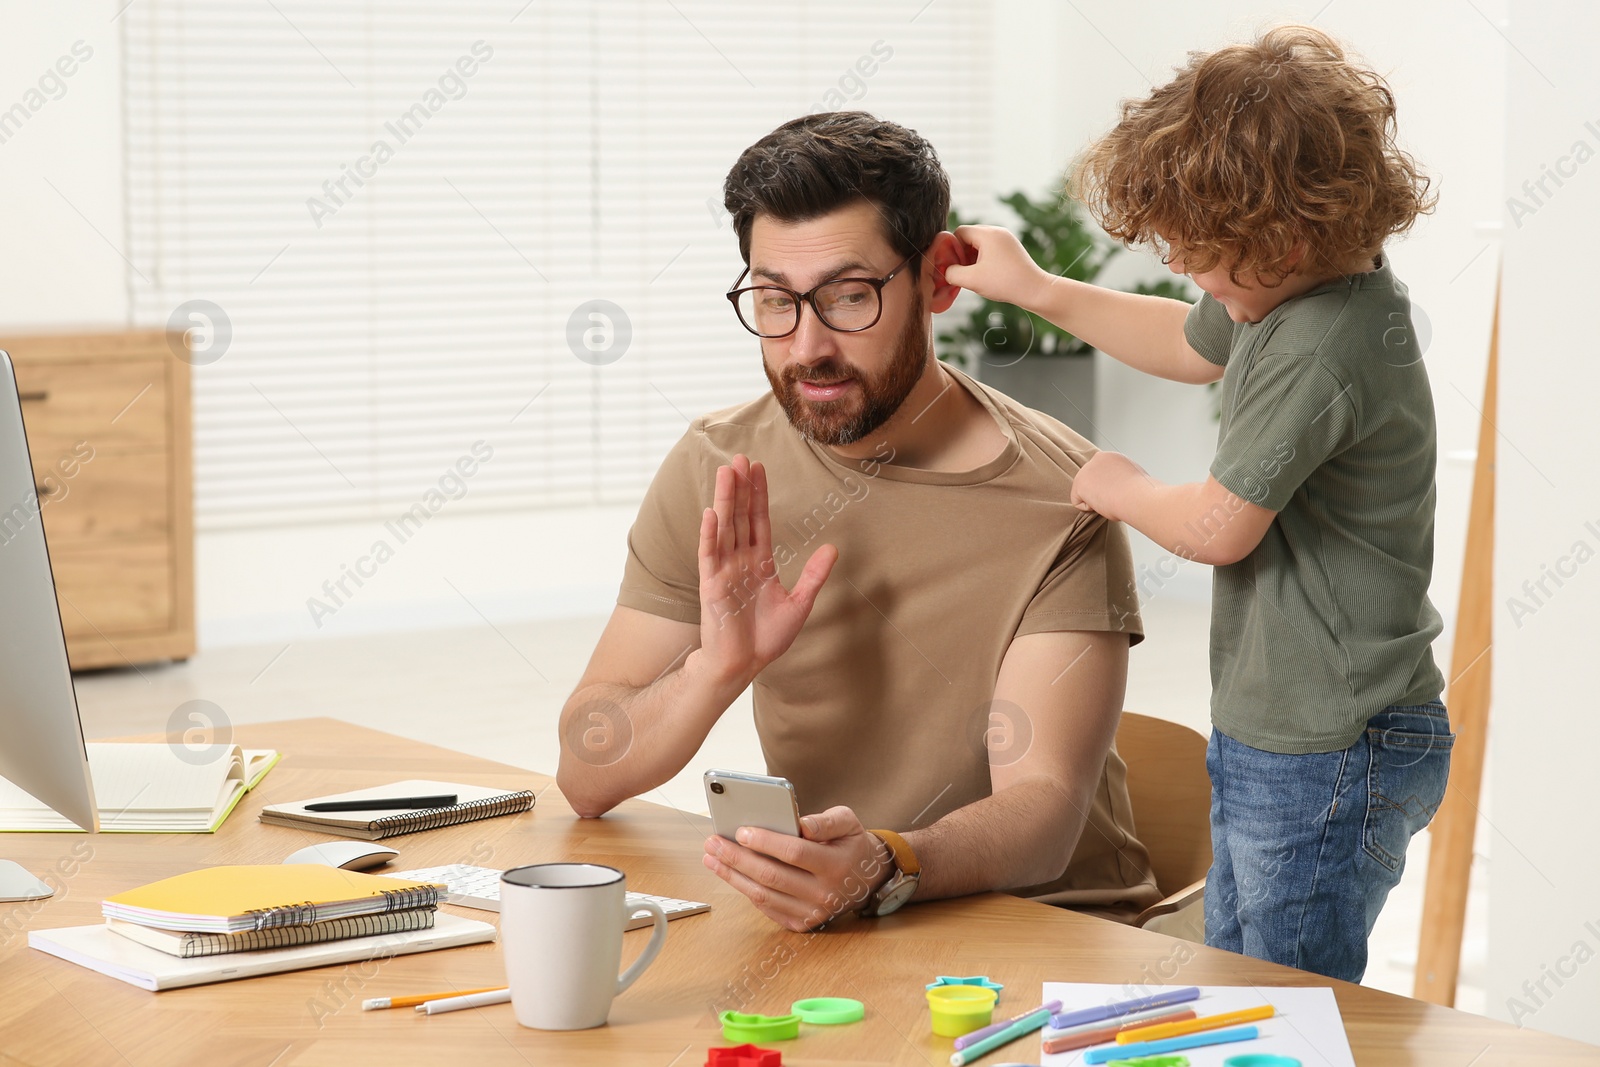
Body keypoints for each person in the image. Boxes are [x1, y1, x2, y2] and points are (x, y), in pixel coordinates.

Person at [555, 111, 1159, 932]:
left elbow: (1044, 811)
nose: (807, 346)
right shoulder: (718, 466)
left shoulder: (1068, 498)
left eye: (849, 296)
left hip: (1053, 934)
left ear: (937, 279)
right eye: (774, 301)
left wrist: (886, 862)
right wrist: (713, 670)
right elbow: (586, 774)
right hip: (842, 930)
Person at [946, 25, 1451, 982]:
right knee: (1241, 962)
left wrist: (1121, 485)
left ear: (1288, 237)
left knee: (1289, 987)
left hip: (1333, 744)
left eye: (1204, 258)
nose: (1191, 274)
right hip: (1288, 726)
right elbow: (1188, 341)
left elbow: (1219, 528)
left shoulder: (1318, 345)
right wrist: (1040, 289)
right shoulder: (1290, 290)